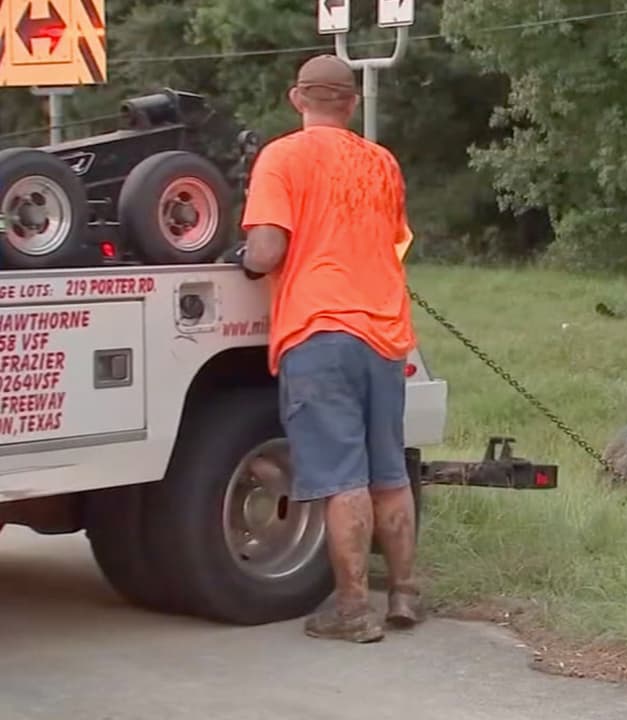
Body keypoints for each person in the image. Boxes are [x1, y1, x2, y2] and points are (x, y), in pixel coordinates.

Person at [235, 54, 419, 643]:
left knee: (344, 478)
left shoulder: (282, 158)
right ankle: (406, 594)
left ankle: (352, 609)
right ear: (352, 103)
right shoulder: (383, 162)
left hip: (319, 331)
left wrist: (241, 259)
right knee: (390, 473)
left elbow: (265, 251)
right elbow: (393, 241)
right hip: (386, 333)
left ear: (297, 99)